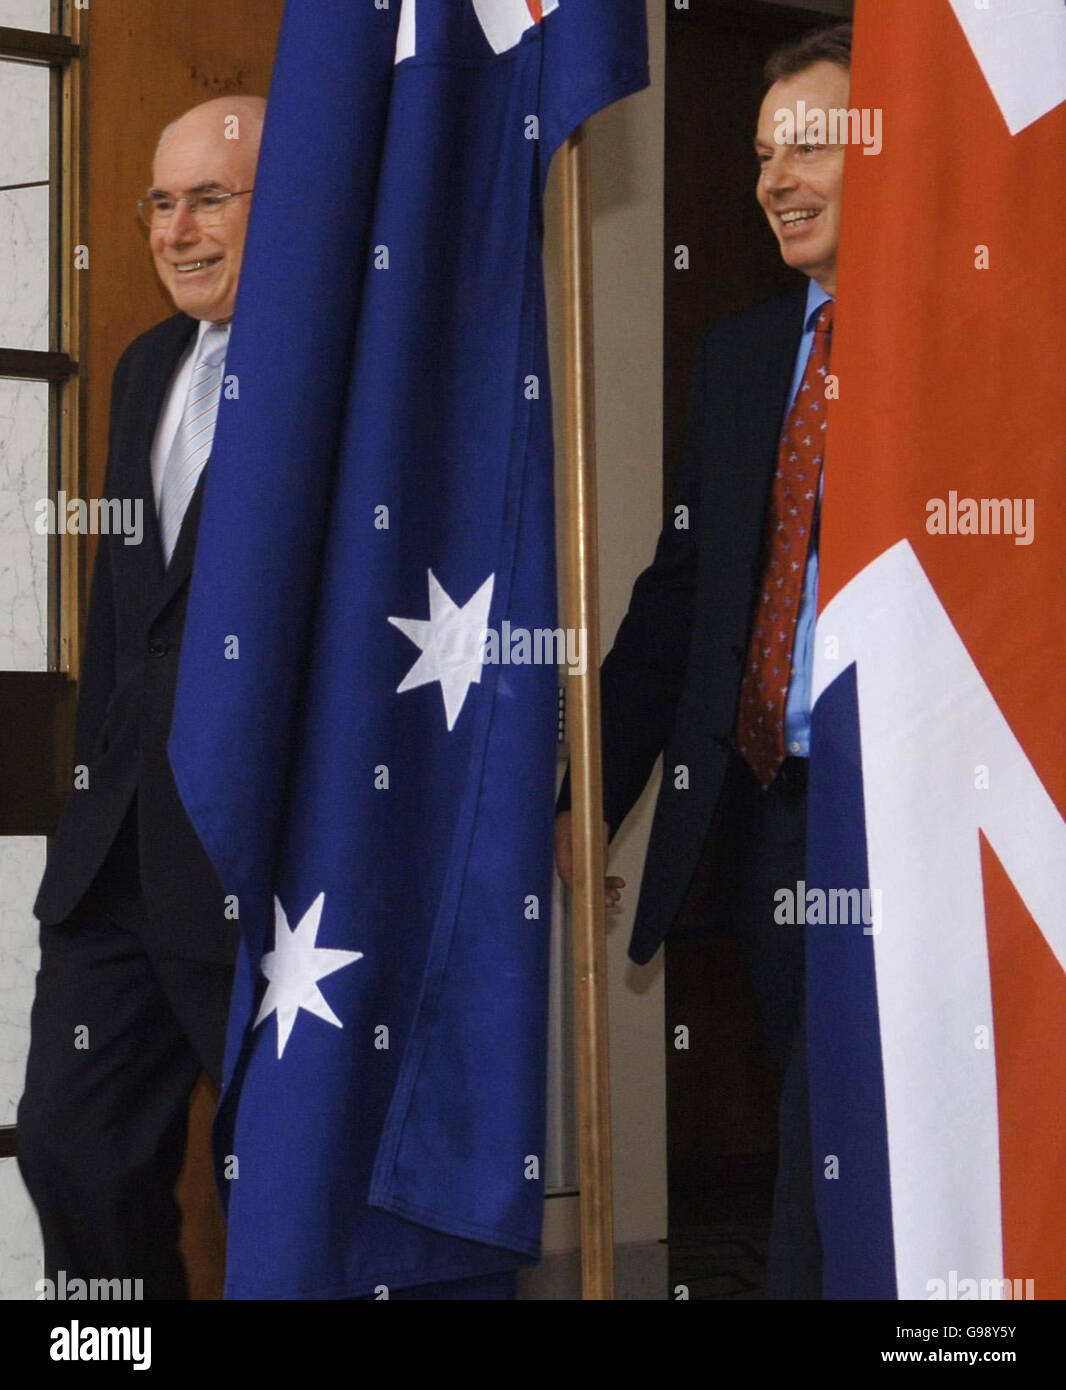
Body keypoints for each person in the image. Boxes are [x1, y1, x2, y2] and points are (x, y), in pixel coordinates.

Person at [555, 24, 852, 1299]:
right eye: (759, 153)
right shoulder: (742, 361)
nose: (771, 180)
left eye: (808, 147)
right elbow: (677, 606)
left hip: (922, 820)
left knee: (841, 1155)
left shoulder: (980, 349)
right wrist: (586, 798)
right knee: (822, 1131)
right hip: (777, 822)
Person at [17, 95, 267, 1300]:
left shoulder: (343, 377)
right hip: (119, 850)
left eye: (210, 197)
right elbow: (125, 624)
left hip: (258, 854)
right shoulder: (146, 365)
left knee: (274, 1174)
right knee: (69, 1149)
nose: (177, 229)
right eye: (160, 203)